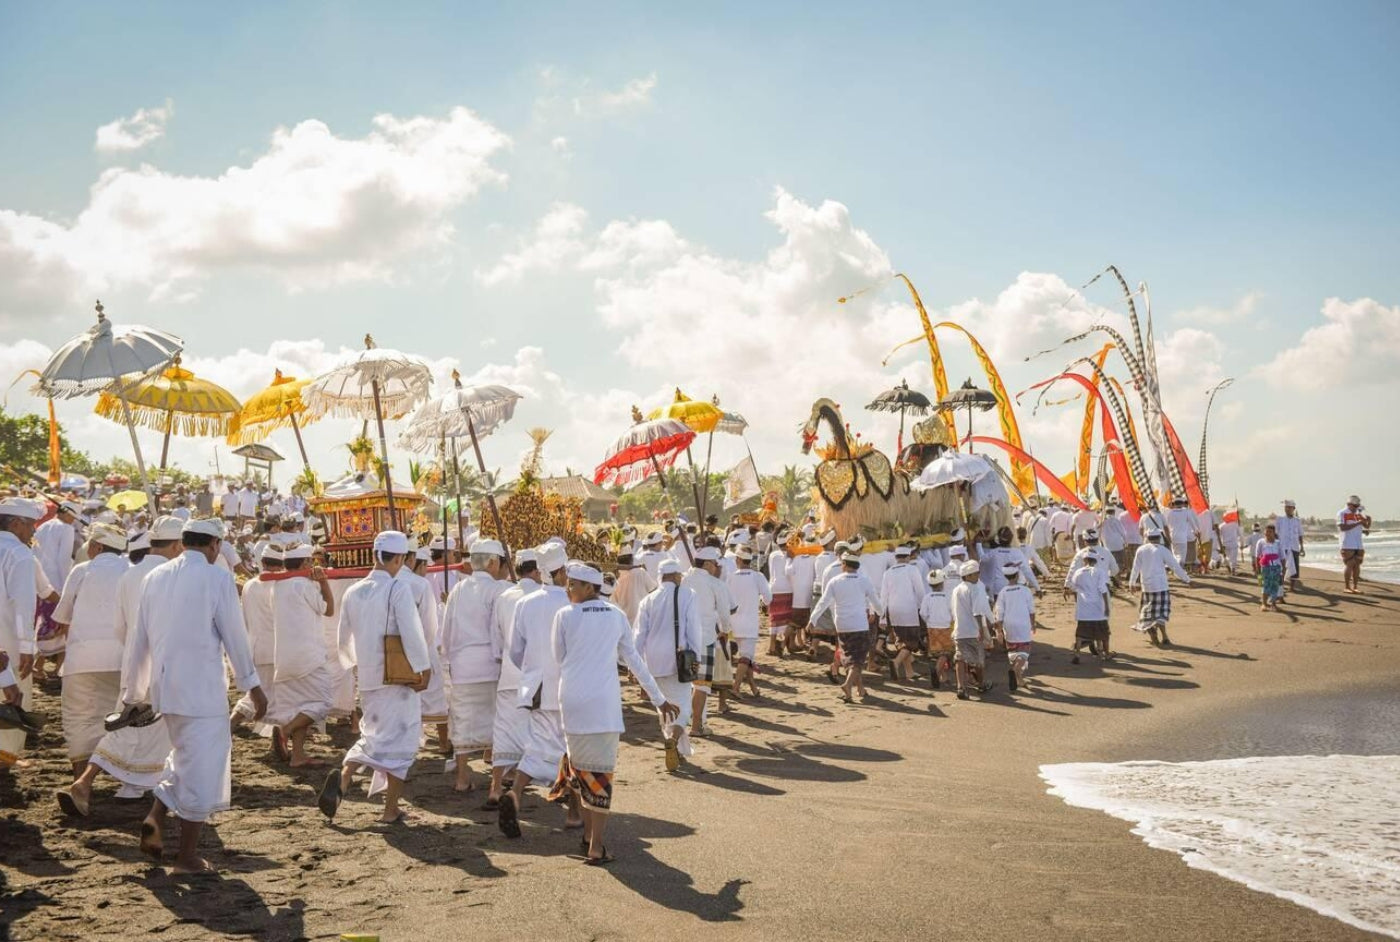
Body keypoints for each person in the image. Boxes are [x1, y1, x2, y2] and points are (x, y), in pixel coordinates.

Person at [121, 517, 267, 872]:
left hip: (165, 689)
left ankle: (156, 815)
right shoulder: (217, 577)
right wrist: (253, 687)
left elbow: (136, 640)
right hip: (201, 691)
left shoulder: (154, 577)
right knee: (205, 770)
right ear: (215, 546)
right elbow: (235, 636)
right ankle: (186, 856)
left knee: (184, 757)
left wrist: (133, 693)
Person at [549, 563, 680, 864]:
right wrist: (658, 700)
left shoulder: (564, 616)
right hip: (604, 704)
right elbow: (634, 661)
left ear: (589, 588)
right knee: (601, 773)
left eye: (574, 585)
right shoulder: (616, 616)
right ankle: (595, 844)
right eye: (568, 583)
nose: (568, 589)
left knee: (581, 769)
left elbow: (559, 658)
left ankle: (586, 835)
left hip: (572, 701)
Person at [58, 517, 183, 817]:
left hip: (128, 661)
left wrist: (133, 651)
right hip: (160, 664)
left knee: (124, 725)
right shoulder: (171, 574)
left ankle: (129, 787)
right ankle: (87, 782)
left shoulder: (131, 574)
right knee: (135, 729)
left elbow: (120, 627)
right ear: (178, 544)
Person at [319, 531, 430, 825]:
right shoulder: (397, 589)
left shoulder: (354, 591)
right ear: (398, 559)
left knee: (372, 736)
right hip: (397, 677)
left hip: (368, 676)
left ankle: (343, 779)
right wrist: (423, 666)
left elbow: (344, 638)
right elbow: (411, 631)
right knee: (401, 743)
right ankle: (390, 809)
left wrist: (355, 664)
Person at [499, 541, 571, 839]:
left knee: (543, 745)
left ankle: (518, 792)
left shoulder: (525, 603)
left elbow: (515, 650)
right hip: (565, 686)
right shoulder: (570, 602)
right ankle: (575, 812)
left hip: (536, 686)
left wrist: (532, 670)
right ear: (563, 571)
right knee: (569, 749)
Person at [50, 523, 129, 779]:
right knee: (121, 719)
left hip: (82, 659)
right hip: (122, 659)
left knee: (79, 718)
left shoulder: (81, 570)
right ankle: (122, 777)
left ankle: (80, 778)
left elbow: (62, 618)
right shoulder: (132, 571)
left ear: (95, 547)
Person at [441, 538, 510, 792]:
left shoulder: (459, 589)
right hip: (491, 664)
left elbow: (446, 630)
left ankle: (461, 778)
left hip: (462, 665)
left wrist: (449, 658)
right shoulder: (499, 590)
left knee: (462, 722)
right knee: (497, 723)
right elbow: (500, 630)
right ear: (492, 562)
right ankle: (496, 784)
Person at [268, 542, 335, 768]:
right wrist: (323, 582)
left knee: (301, 707)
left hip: (285, 657)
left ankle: (297, 756)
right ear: (306, 562)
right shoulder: (304, 585)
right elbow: (329, 609)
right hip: (308, 657)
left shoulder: (277, 586)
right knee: (323, 702)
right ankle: (284, 731)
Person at [632, 558, 702, 772]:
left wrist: (634, 666)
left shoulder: (648, 600)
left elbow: (638, 635)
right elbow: (694, 630)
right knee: (683, 704)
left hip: (652, 661)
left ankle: (677, 749)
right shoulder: (688, 595)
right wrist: (696, 657)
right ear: (676, 576)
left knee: (663, 706)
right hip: (679, 658)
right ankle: (673, 738)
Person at [485, 548, 541, 808]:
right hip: (536, 677)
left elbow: (495, 639)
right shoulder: (542, 597)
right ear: (537, 570)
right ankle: (521, 784)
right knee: (540, 733)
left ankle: (496, 787)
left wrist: (503, 658)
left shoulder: (504, 595)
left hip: (509, 672)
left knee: (504, 731)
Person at [0, 497, 43, 765]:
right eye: (31, 527)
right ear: (17, 523)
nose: (33, 533)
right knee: (13, 694)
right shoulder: (20, 554)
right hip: (9, 637)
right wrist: (27, 647)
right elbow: (23, 604)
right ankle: (5, 757)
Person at [809, 551, 882, 703]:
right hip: (859, 624)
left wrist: (813, 619)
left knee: (850, 657)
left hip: (842, 624)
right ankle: (848, 685)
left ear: (844, 565)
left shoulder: (835, 581)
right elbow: (875, 601)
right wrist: (882, 614)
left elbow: (823, 602)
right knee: (858, 659)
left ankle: (860, 689)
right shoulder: (864, 580)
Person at [401, 545, 449, 757]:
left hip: (395, 650)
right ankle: (443, 743)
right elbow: (431, 625)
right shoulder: (419, 584)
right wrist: (426, 648)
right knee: (435, 696)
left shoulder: (389, 582)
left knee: (403, 698)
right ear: (412, 561)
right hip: (421, 647)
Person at [232, 544, 282, 738]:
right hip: (277, 649)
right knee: (277, 695)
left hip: (255, 647)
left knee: (259, 693)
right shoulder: (281, 585)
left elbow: (245, 618)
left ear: (262, 563)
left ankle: (232, 723)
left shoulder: (250, 585)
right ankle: (279, 739)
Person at [33, 501, 79, 667]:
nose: (73, 521)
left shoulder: (43, 526)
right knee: (58, 625)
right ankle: (48, 667)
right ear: (67, 514)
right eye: (73, 518)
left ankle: (39, 665)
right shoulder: (66, 529)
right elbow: (63, 560)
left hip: (37, 582)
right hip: (56, 584)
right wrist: (67, 585)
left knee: (41, 623)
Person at [1128, 526, 1191, 644]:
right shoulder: (1162, 550)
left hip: (1146, 586)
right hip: (1161, 586)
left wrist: (1131, 583)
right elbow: (1175, 567)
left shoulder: (1141, 549)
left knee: (1148, 611)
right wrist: (1187, 580)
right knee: (1161, 613)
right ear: (1159, 537)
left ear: (1147, 537)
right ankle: (1162, 633)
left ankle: (1160, 633)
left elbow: (1135, 568)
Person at [723, 546, 771, 699]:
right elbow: (768, 598)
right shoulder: (757, 576)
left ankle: (753, 688)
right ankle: (736, 687)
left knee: (747, 656)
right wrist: (761, 602)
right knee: (746, 656)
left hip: (733, 622)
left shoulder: (730, 577)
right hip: (749, 622)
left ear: (738, 560)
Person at [880, 544, 925, 682]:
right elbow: (920, 591)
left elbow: (883, 596)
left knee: (901, 641)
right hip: (909, 610)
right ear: (908, 557)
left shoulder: (888, 572)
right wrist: (923, 608)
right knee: (912, 642)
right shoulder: (912, 569)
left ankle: (909, 672)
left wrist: (882, 617)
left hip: (893, 611)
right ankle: (896, 662)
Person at [949, 560, 993, 699]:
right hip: (973, 630)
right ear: (968, 576)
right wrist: (981, 629)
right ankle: (981, 684)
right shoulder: (974, 589)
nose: (978, 576)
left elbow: (953, 611)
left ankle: (960, 687)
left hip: (960, 630)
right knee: (978, 660)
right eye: (975, 574)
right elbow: (978, 612)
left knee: (960, 659)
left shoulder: (956, 590)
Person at [993, 563, 1036, 691]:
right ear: (1017, 575)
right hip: (1023, 624)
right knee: (1024, 651)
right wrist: (1033, 624)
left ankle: (1019, 679)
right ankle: (1015, 670)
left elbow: (999, 613)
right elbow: (1031, 610)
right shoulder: (1025, 590)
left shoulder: (1003, 592)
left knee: (1013, 651)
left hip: (1009, 625)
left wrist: (999, 630)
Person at [1066, 554, 1111, 663]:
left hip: (1083, 607)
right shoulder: (1099, 572)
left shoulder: (1078, 572)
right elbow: (1103, 589)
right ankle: (1103, 654)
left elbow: (1073, 587)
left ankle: (1077, 654)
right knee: (1100, 631)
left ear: (1085, 560)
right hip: (1097, 607)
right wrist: (1106, 606)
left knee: (1081, 632)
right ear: (1095, 561)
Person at [920, 570, 954, 689]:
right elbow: (953, 612)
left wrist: (929, 622)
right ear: (942, 583)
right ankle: (937, 670)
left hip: (932, 627)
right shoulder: (948, 596)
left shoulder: (927, 597)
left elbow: (923, 613)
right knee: (946, 653)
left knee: (937, 652)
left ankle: (943, 677)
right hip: (946, 627)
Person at [1336, 495, 1372, 595]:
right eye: (1355, 506)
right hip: (1347, 543)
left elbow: (1366, 529)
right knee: (1350, 564)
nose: (1356, 508)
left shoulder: (1358, 514)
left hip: (1358, 543)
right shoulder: (1342, 513)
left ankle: (1355, 587)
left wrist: (1369, 521)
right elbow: (1342, 527)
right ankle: (1347, 587)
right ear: (1349, 504)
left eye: (1358, 506)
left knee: (1357, 565)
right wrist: (1358, 523)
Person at [1253, 524, 1287, 612]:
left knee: (1275, 586)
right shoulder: (1261, 542)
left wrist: (1283, 569)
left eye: (1270, 532)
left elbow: (1282, 557)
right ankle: (1263, 604)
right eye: (1266, 531)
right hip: (1265, 567)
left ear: (1274, 533)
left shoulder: (1278, 543)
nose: (1267, 533)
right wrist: (1257, 569)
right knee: (1266, 585)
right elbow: (1257, 556)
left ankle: (1273, 604)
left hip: (1276, 567)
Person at [1273, 499, 1305, 589]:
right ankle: (1281, 586)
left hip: (1294, 547)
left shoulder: (1297, 521)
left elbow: (1300, 534)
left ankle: (1292, 587)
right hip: (1283, 547)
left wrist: (1302, 547)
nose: (1287, 509)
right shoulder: (1280, 519)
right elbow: (1275, 533)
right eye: (1286, 507)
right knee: (1281, 567)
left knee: (1294, 568)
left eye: (1289, 507)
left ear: (1293, 508)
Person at [1165, 498, 1200, 574]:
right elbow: (1193, 524)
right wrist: (1196, 531)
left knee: (1175, 555)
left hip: (1172, 537)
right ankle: (1178, 571)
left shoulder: (1170, 513)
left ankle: (1176, 570)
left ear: (1174, 504)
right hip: (1182, 538)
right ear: (1181, 504)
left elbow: (1166, 525)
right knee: (1182, 558)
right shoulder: (1186, 512)